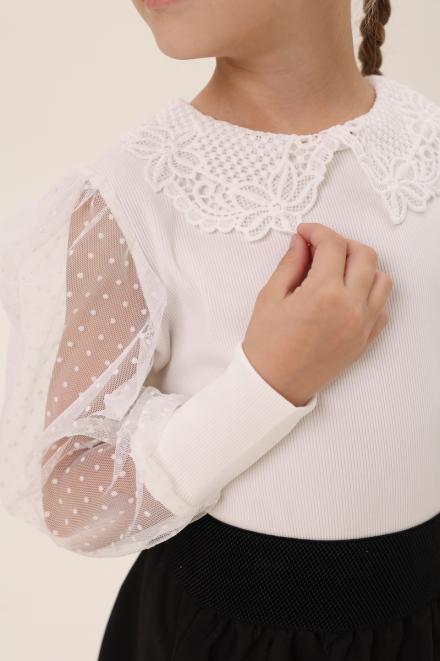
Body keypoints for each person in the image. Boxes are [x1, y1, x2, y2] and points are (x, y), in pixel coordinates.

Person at [0, 0, 440, 658]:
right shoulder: (136, 192)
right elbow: (71, 492)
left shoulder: (426, 144)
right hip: (221, 637)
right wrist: (267, 384)